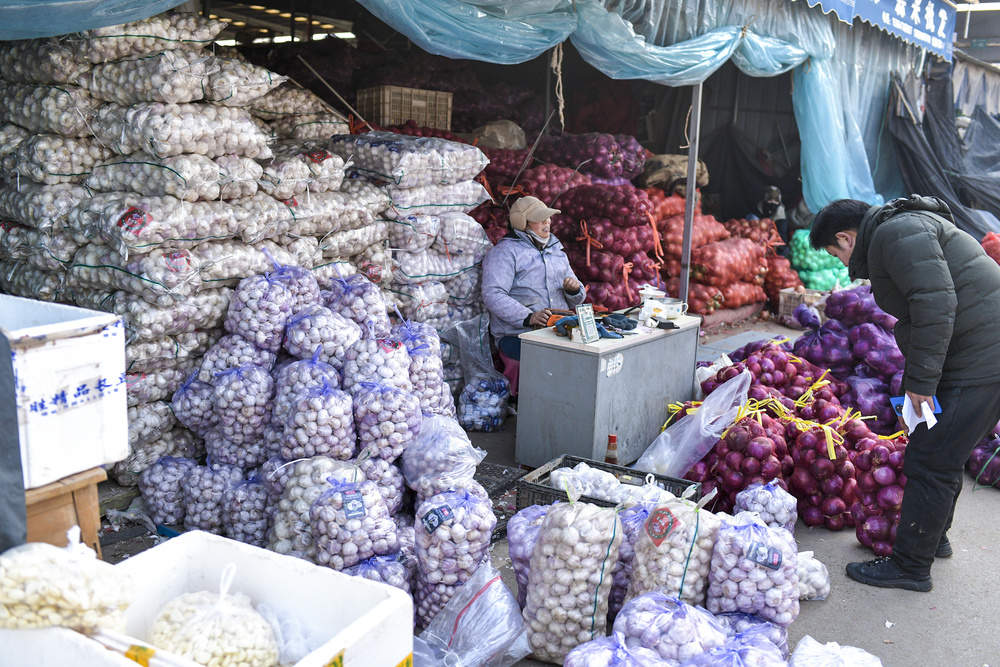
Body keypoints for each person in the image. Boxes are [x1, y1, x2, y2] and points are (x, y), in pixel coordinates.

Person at [810, 196, 1000, 592]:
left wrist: (921, 384)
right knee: (943, 452)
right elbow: (928, 313)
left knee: (930, 459)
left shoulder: (896, 234)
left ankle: (911, 566)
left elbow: (935, 306)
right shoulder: (902, 229)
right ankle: (933, 539)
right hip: (976, 352)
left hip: (982, 356)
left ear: (847, 237)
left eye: (836, 252)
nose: (844, 264)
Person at [481, 196, 586, 394]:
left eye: (548, 218)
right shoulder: (505, 252)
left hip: (556, 330)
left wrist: (574, 290)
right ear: (523, 223)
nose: (548, 222)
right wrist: (528, 317)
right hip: (518, 335)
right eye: (540, 218)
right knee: (541, 379)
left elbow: (579, 297)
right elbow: (493, 294)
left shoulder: (557, 251)